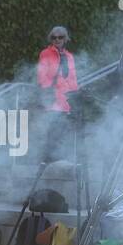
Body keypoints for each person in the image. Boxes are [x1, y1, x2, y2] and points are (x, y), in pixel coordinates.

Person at [36, 26, 79, 162]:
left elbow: (72, 79)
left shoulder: (70, 57)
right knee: (54, 129)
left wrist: (75, 96)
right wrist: (49, 89)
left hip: (66, 100)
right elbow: (42, 77)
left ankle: (58, 159)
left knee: (63, 130)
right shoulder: (46, 53)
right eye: (54, 37)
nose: (57, 39)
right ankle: (47, 160)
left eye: (60, 37)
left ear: (65, 39)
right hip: (53, 98)